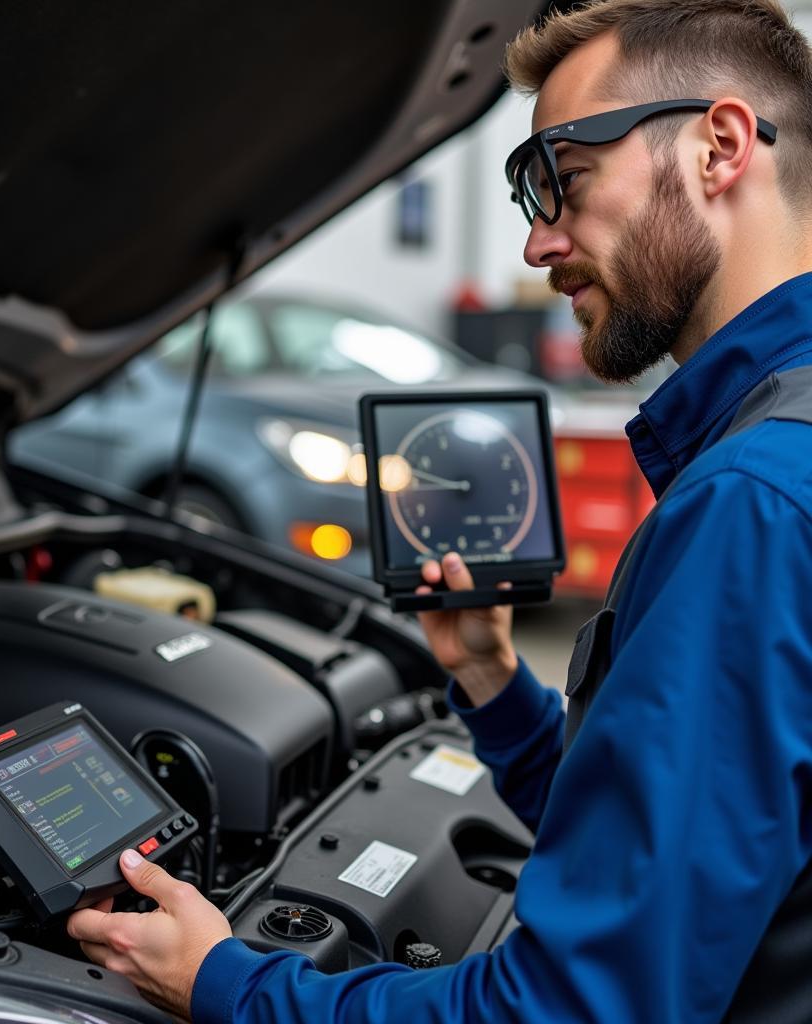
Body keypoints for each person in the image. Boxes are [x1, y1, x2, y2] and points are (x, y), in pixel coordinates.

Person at [66, 0, 812, 1019]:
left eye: (562, 178)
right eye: (525, 197)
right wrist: (493, 682)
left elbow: (579, 1005)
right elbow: (682, 855)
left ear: (719, 146)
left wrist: (230, 983)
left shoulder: (752, 502)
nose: (540, 243)